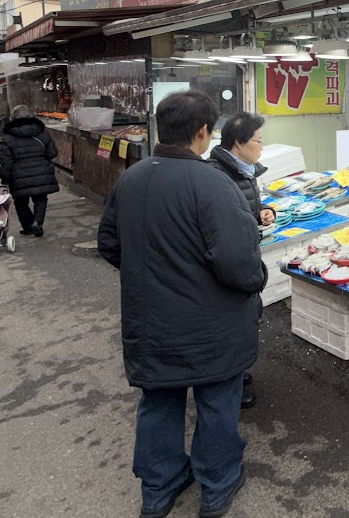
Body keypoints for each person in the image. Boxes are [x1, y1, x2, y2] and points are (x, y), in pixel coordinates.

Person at [98, 90, 266, 518]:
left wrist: (152, 277)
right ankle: (217, 486)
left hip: (150, 322)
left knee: (159, 402)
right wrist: (256, 281)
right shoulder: (213, 183)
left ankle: (159, 489)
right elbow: (238, 262)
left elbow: (109, 244)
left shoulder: (130, 179)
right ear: (203, 132)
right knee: (216, 402)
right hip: (212, 325)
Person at [206, 111, 274, 410]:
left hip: (246, 253)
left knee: (247, 319)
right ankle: (227, 384)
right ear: (238, 142)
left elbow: (247, 205)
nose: (262, 147)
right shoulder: (217, 175)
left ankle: (238, 373)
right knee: (231, 325)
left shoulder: (244, 170)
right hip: (231, 261)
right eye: (258, 141)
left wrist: (263, 211)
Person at [0, 105, 59, 238]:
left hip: (18, 176)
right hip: (41, 172)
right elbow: (52, 153)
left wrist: (4, 177)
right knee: (41, 198)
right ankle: (37, 222)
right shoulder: (42, 133)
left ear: (13, 117)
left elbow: (6, 161)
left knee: (20, 201)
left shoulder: (8, 138)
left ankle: (27, 226)